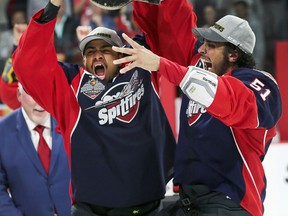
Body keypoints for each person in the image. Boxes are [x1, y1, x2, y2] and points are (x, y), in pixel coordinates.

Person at [109, 1, 282, 215]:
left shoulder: (259, 84)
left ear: (233, 55)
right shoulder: (201, 67)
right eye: (203, 42)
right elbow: (176, 29)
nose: (201, 49)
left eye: (211, 45)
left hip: (230, 202)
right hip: (190, 200)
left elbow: (223, 96)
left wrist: (162, 65)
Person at [12, 0, 176, 216]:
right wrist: (52, 7)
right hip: (92, 209)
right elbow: (28, 66)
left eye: (105, 49)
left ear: (120, 54)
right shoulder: (72, 85)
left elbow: (159, 28)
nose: (97, 55)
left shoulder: (141, 65)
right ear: (84, 60)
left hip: (147, 203)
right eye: (90, 51)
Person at [0, 83, 71, 216]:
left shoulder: (72, 121)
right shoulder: (2, 132)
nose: (40, 101)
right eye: (32, 93)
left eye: (45, 92)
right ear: (19, 95)